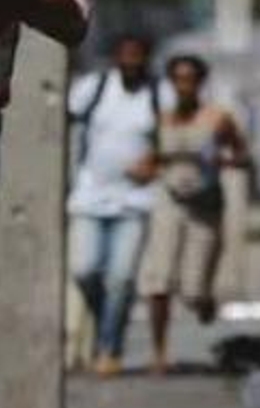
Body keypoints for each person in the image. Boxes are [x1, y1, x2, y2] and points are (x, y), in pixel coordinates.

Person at [139, 53, 247, 374]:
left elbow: (241, 153)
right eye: (178, 79)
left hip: (205, 204)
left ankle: (204, 300)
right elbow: (152, 157)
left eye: (190, 79)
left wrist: (227, 162)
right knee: (158, 280)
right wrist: (144, 169)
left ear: (200, 82)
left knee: (192, 290)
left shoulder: (218, 118)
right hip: (169, 199)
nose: (184, 86)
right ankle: (159, 352)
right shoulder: (162, 118)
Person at [67, 34, 162, 376]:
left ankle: (110, 347)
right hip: (89, 196)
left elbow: (174, 136)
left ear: (147, 59)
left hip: (134, 202)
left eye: (138, 56)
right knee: (84, 270)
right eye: (126, 55)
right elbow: (66, 125)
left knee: (121, 278)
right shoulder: (94, 88)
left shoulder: (157, 94)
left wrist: (155, 163)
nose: (131, 62)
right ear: (116, 58)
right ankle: (106, 317)